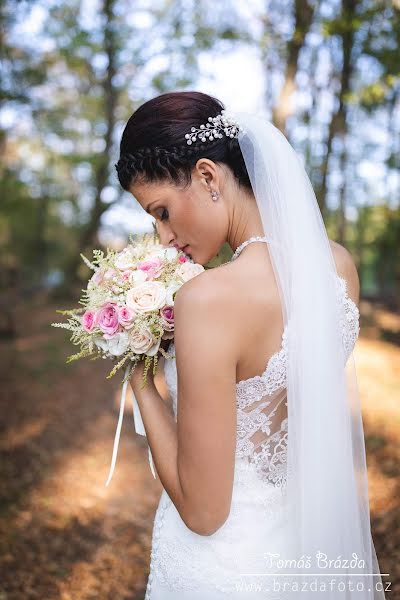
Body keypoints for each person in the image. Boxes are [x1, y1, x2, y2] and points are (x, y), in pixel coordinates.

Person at [114, 91, 387, 599]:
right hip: (309, 550)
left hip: (224, 570)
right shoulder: (337, 267)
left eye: (163, 212)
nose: (163, 237)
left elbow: (203, 511)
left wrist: (141, 384)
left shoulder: (207, 299)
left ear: (208, 176)